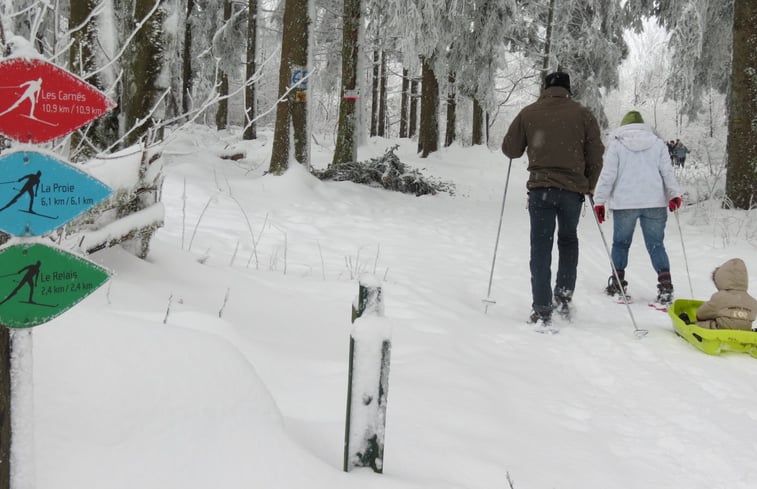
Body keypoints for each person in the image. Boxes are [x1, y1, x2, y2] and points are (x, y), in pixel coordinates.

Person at [502, 71, 604, 326]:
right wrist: (589, 185)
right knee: (568, 240)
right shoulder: (583, 114)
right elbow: (595, 155)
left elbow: (510, 150)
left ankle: (541, 308)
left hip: (541, 189)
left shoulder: (529, 112)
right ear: (568, 89)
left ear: (545, 88)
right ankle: (564, 296)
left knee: (540, 246)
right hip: (572, 191)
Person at [592, 110, 682, 305]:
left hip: (625, 203)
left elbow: (608, 175)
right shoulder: (658, 144)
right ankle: (665, 286)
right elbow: (667, 172)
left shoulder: (617, 144)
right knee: (656, 244)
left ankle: (617, 284)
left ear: (624, 126)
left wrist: (599, 201)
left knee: (621, 244)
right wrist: (674, 194)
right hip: (654, 202)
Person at [679, 258, 757, 331]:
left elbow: (700, 315)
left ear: (721, 280)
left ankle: (688, 326)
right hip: (744, 332)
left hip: (721, 332)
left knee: (704, 324)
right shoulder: (753, 302)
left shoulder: (719, 298)